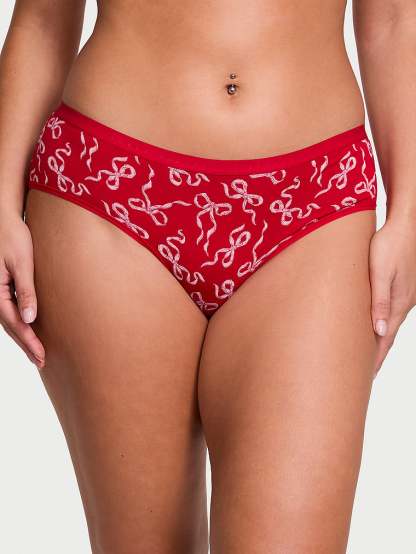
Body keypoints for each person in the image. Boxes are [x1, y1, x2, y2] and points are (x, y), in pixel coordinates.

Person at [0, 1, 415, 552]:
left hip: (314, 200)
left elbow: (393, 18)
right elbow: (43, 20)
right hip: (110, 188)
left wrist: (411, 211)